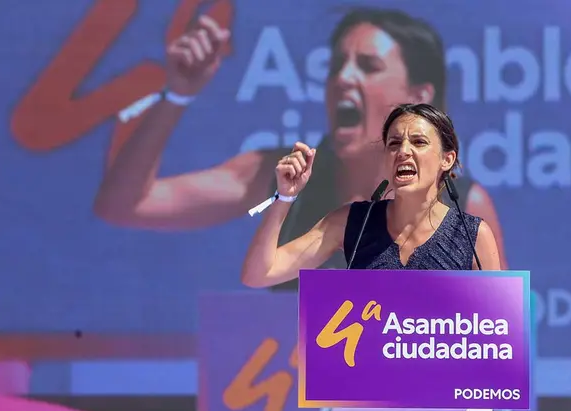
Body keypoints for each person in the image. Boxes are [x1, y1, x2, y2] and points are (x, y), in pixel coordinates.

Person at [93, 8, 508, 290]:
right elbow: (125, 204)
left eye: (367, 66)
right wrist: (178, 96)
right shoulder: (298, 186)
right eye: (335, 66)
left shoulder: (468, 216)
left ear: (419, 95)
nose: (343, 78)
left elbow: (497, 334)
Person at [241, 103, 500, 287]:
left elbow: (496, 334)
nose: (403, 152)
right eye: (394, 143)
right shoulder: (352, 222)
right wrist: (285, 198)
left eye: (419, 142)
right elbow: (259, 274)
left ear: (447, 159)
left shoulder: (473, 235)